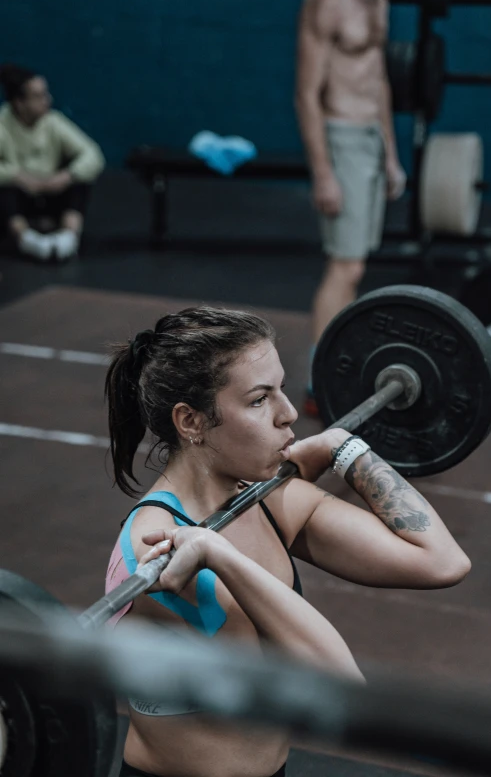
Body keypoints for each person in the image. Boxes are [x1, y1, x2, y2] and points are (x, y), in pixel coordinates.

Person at [103, 306, 471, 777]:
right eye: (259, 400)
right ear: (190, 422)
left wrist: (345, 449)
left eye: (281, 388)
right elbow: (342, 686)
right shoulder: (154, 546)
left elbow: (441, 562)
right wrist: (220, 556)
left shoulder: (269, 500)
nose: (290, 413)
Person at [295, 0, 406, 416]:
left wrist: (390, 153)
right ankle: (316, 384)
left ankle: (333, 369)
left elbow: (378, 77)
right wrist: (324, 172)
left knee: (354, 267)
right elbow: (306, 95)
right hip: (340, 140)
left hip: (371, 140)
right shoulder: (327, 3)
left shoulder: (380, 0)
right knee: (345, 266)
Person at [0, 63, 105, 261]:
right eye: (38, 96)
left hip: (51, 193)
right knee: (4, 191)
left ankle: (68, 239)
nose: (47, 100)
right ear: (19, 103)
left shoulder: (53, 122)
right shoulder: (2, 125)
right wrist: (16, 175)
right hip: (21, 196)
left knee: (80, 182)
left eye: (45, 94)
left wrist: (65, 177)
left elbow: (93, 154)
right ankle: (27, 240)